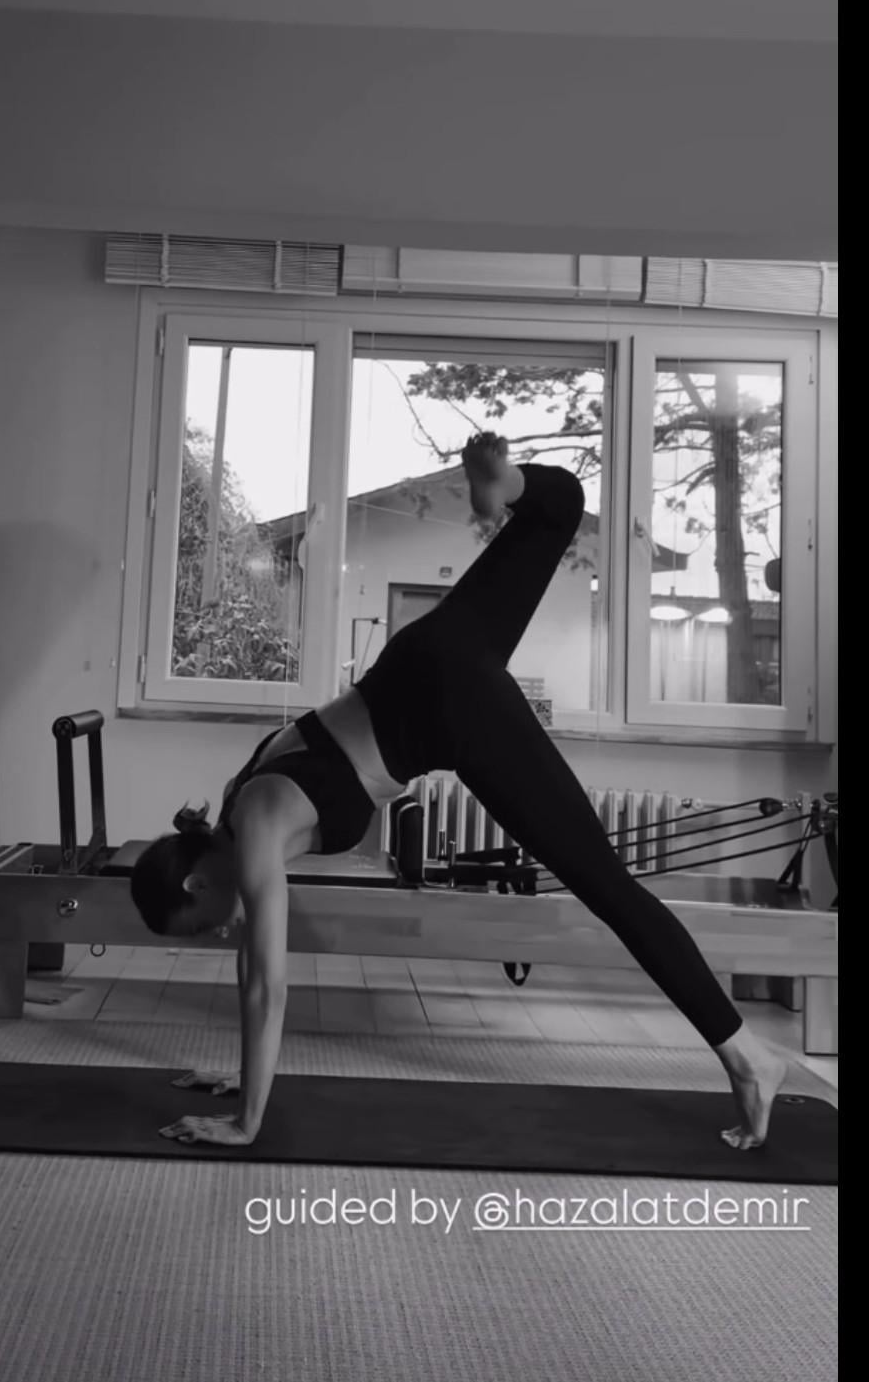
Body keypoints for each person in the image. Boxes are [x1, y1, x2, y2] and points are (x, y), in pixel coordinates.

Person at [131, 435, 786, 1151]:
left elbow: (266, 980)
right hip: (423, 653)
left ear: (196, 881)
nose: (214, 934)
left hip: (447, 710)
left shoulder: (256, 825)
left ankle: (748, 1056)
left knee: (606, 886)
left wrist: (247, 1122)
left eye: (196, 925)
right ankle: (507, 485)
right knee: (558, 508)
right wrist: (244, 1074)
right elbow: (250, 967)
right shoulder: (240, 796)